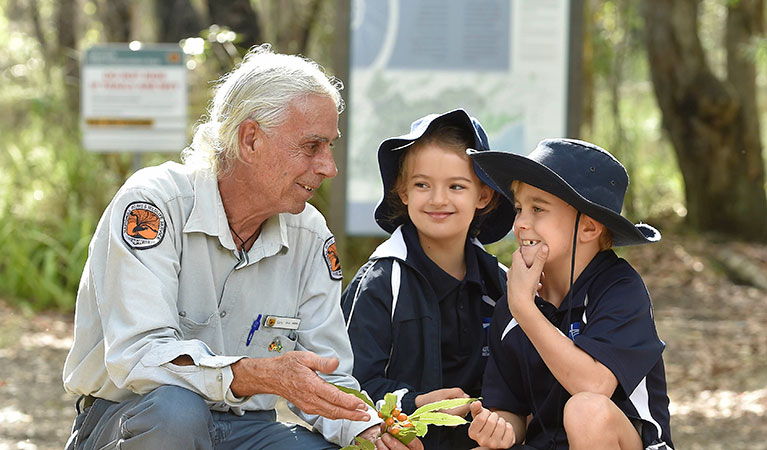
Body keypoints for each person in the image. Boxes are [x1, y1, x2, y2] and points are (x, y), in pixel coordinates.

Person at [62, 44, 422, 450]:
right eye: (311, 146)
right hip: (135, 418)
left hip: (244, 427)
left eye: (330, 147)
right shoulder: (155, 204)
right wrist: (256, 375)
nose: (328, 167)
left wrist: (368, 429)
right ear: (250, 139)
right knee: (177, 413)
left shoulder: (310, 233)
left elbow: (326, 376)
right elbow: (139, 356)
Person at [465, 138, 673, 450]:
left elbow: (594, 386)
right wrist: (498, 428)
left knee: (586, 411)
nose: (520, 223)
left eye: (538, 209)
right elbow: (510, 409)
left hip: (625, 441)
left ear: (589, 228)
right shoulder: (516, 302)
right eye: (519, 208)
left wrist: (524, 308)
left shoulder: (620, 289)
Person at [341, 109, 516, 450]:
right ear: (402, 191)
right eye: (422, 184)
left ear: (484, 196)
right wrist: (418, 403)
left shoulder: (502, 286)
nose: (438, 199)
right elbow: (347, 387)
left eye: (456, 186)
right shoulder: (380, 281)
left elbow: (518, 386)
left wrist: (505, 427)